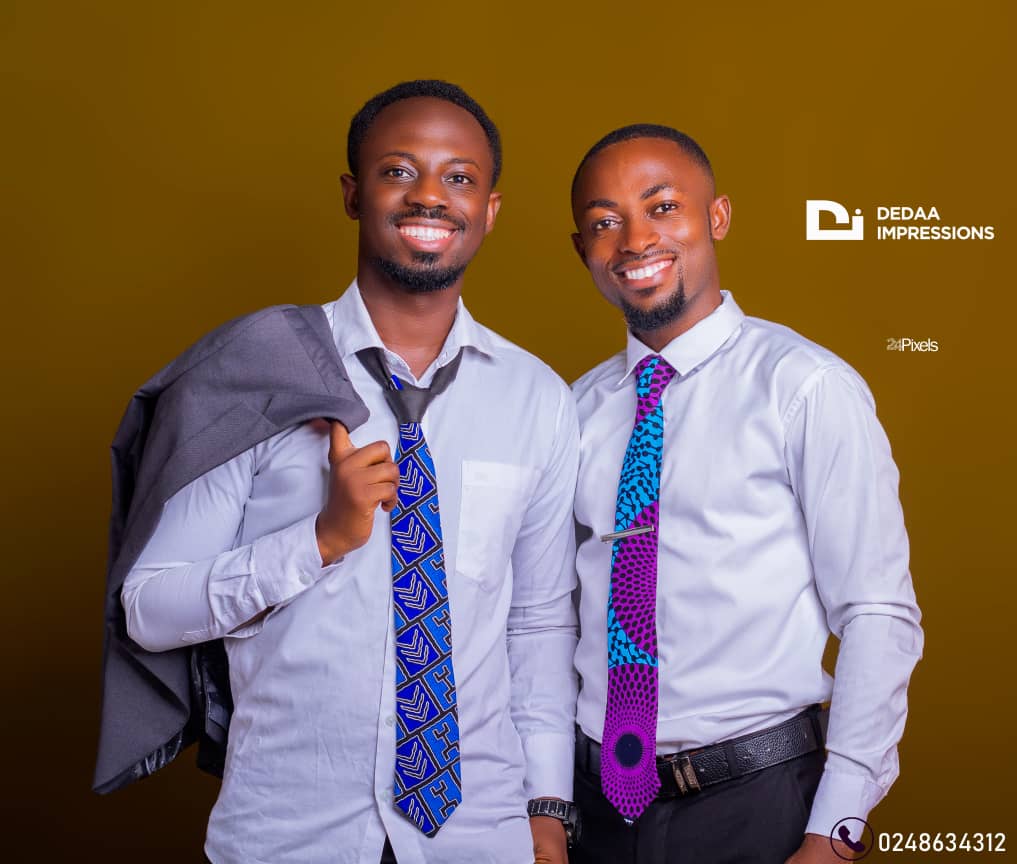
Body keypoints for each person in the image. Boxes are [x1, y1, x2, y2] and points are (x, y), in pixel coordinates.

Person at [120, 80, 579, 864]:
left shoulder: (535, 396)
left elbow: (536, 622)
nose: (430, 196)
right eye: (398, 171)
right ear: (352, 194)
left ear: (490, 208)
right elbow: (148, 610)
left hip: (481, 834)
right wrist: (320, 539)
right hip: (290, 831)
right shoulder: (253, 374)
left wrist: (546, 810)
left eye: (458, 177)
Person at [566, 124, 923, 864]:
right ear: (583, 251)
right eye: (605, 222)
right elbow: (542, 618)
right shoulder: (572, 412)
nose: (634, 239)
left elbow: (877, 611)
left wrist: (836, 829)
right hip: (595, 811)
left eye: (661, 207)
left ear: (715, 217)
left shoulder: (803, 387)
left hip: (758, 804)